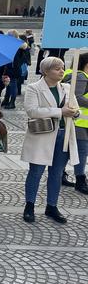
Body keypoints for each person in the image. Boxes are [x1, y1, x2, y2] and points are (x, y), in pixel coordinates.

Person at [21, 57, 80, 224]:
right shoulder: (34, 88)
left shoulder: (68, 87)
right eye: (57, 69)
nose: (61, 71)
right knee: (36, 172)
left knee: (56, 173)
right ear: (46, 71)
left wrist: (75, 113)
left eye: (62, 68)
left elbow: (75, 110)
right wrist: (60, 112)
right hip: (42, 136)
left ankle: (51, 206)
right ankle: (29, 206)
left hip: (63, 135)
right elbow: (32, 111)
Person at [63, 53, 88, 194]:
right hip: (79, 121)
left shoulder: (75, 74)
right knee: (82, 150)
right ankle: (80, 180)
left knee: (70, 150)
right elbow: (76, 97)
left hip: (79, 121)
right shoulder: (81, 77)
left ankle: (61, 174)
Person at [2, 30, 28, 109]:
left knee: (12, 85)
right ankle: (6, 100)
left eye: (8, 35)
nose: (7, 36)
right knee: (9, 86)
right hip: (11, 68)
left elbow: (15, 60)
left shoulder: (17, 46)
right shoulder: (17, 45)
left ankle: (12, 102)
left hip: (14, 69)